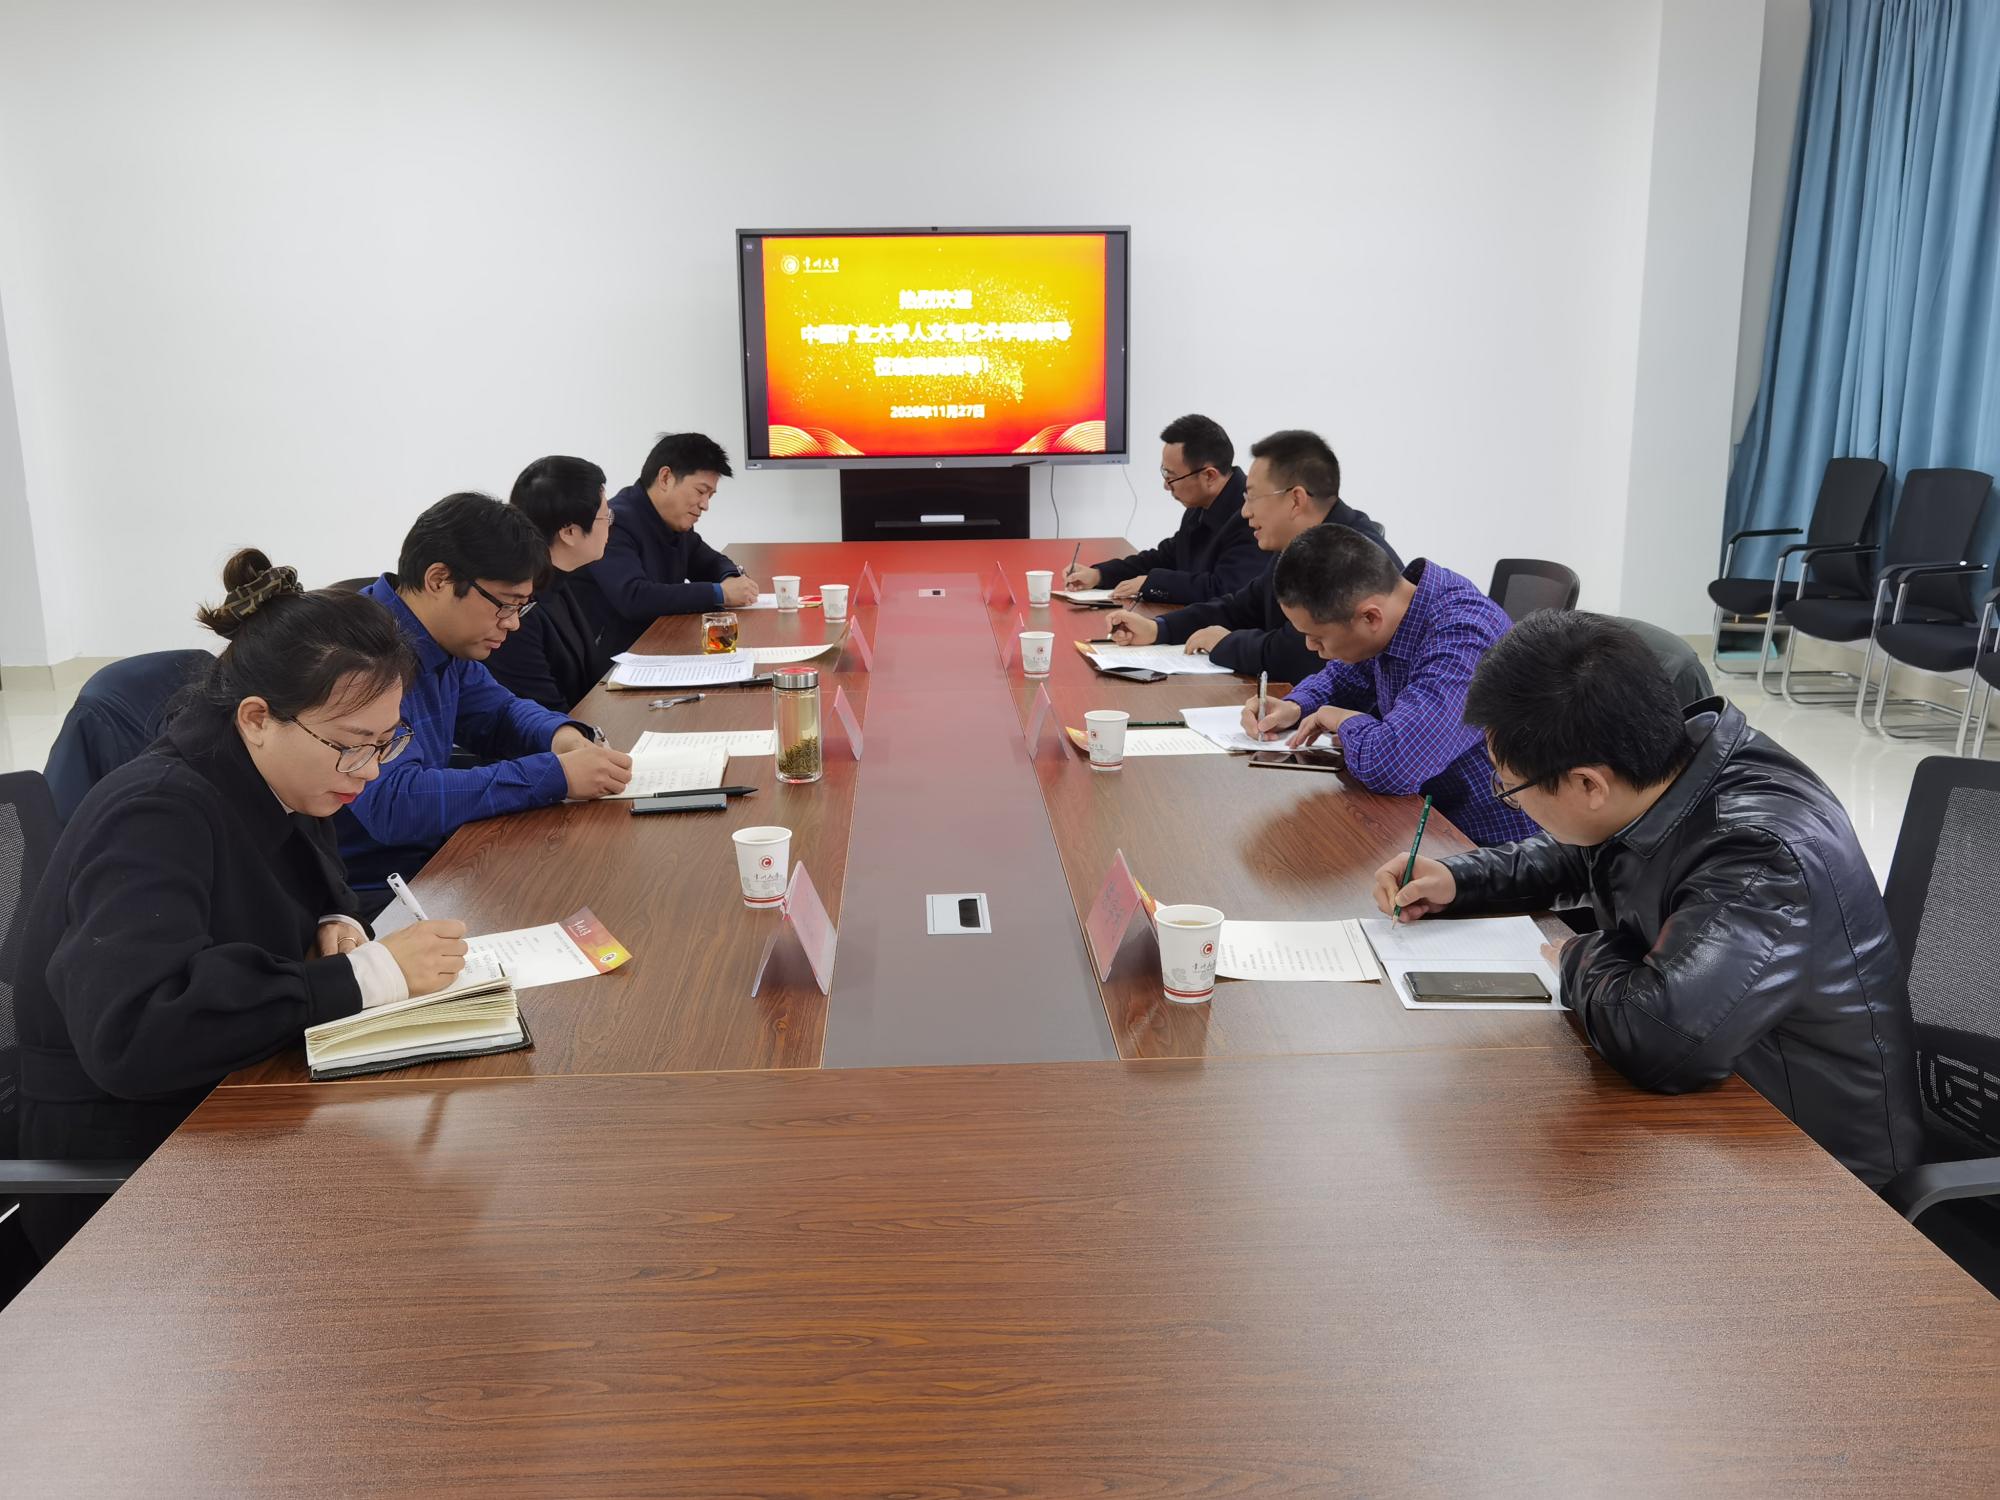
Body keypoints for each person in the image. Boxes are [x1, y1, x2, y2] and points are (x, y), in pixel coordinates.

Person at [10, 550, 473, 1257]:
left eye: (386, 743)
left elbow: (310, 881)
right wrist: (368, 975)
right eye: (354, 746)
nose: (371, 770)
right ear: (257, 717)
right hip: (130, 1169)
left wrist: (335, 924)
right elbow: (137, 1034)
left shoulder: (285, 771)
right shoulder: (154, 813)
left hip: (232, 1096)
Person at [1372, 611, 1921, 1186]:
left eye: (1510, 787)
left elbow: (1658, 1038)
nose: (1508, 799)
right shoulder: (1667, 768)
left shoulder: (1759, 854)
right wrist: (1461, 879)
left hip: (1817, 1166)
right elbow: (1590, 848)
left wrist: (1580, 956)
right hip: (1722, 1115)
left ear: (1589, 783)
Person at [337, 494, 633, 902]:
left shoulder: (442, 640)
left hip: (439, 860)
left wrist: (560, 737)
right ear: (439, 580)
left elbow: (499, 713)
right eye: (505, 605)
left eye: (520, 608)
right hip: (372, 894)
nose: (512, 624)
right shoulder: (358, 653)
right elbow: (393, 803)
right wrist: (554, 774)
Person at [1243, 525, 1537, 847]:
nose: (1310, 647)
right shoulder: (1400, 607)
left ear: (1370, 618)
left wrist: (1344, 720)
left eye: (1317, 636)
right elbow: (1348, 675)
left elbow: (1394, 765)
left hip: (1486, 844)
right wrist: (1296, 705)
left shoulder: (1463, 639)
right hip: (1421, 816)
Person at [1103, 429, 1399, 681]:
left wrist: (1226, 643)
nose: (1245, 511)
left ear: (1296, 500)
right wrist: (1160, 628)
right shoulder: (1301, 545)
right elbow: (1242, 606)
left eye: (1253, 497)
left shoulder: (1347, 555)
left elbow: (1300, 654)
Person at [585, 431, 760, 654]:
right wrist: (720, 593)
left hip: (660, 644)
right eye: (700, 491)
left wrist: (731, 577)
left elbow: (710, 561)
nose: (705, 505)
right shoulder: (615, 523)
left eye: (710, 496)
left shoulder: (672, 521)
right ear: (666, 478)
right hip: (619, 658)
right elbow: (634, 597)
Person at [1063, 414, 1266, 604]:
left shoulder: (1252, 517)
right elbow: (1167, 557)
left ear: (1209, 476)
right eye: (1164, 474)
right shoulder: (1201, 504)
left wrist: (1152, 583)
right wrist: (1100, 574)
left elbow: (1226, 589)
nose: (1166, 486)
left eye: (1171, 477)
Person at [485, 455, 616, 711]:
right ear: (569, 532)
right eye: (605, 517)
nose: (611, 525)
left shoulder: (559, 580)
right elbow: (544, 712)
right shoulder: (518, 612)